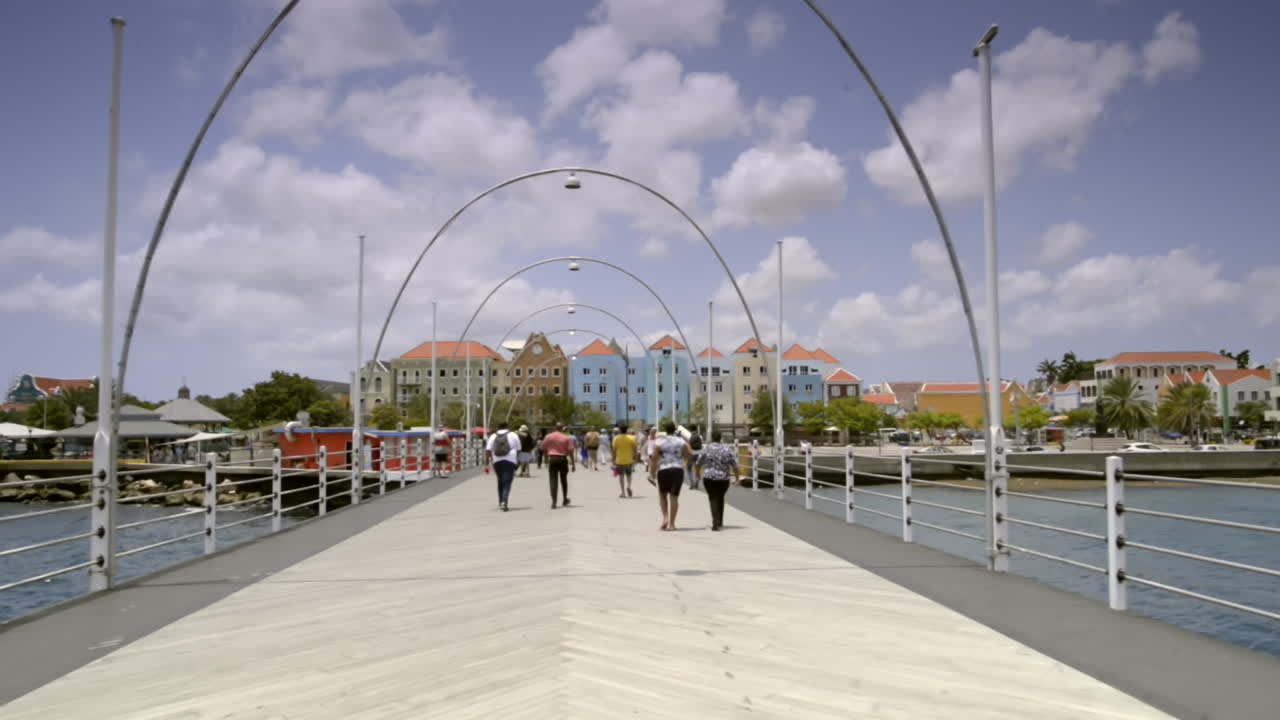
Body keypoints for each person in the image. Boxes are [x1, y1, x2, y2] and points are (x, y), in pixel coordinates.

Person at [649, 420, 692, 531]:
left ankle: (665, 517)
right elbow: (689, 454)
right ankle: (672, 524)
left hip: (663, 470)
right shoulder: (680, 441)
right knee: (674, 497)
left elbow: (654, 458)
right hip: (677, 469)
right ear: (675, 430)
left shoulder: (659, 441)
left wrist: (652, 473)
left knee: (662, 495)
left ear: (665, 429)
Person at [696, 430, 739, 531]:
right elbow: (735, 465)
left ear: (712, 438)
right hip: (723, 479)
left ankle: (715, 522)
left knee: (713, 498)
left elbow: (698, 463)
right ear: (720, 438)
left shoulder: (706, 449)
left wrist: (697, 474)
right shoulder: (727, 449)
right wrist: (737, 478)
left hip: (709, 477)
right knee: (720, 497)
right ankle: (719, 521)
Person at [486, 422, 520, 511]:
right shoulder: (513, 435)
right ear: (507, 426)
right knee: (507, 482)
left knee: (500, 481)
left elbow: (488, 450)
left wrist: (487, 463)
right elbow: (519, 449)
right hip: (510, 460)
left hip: (497, 461)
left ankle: (501, 501)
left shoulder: (493, 436)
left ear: (498, 427)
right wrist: (517, 462)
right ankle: (504, 502)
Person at [541, 423, 576, 508]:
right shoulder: (566, 437)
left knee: (553, 480)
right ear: (562, 428)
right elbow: (571, 451)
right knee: (564, 480)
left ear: (555, 428)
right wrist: (573, 463)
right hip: (562, 459)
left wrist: (545, 459)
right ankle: (564, 499)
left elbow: (543, 448)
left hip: (552, 458)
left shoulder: (548, 436)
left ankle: (554, 501)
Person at [611, 424, 637, 498]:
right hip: (629, 459)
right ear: (627, 430)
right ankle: (629, 486)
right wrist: (635, 459)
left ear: (620, 430)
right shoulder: (631, 438)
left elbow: (614, 450)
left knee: (621, 476)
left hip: (619, 460)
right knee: (629, 474)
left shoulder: (616, 438)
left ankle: (623, 492)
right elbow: (635, 449)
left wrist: (613, 460)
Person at [686, 425, 704, 490]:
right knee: (697, 469)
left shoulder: (690, 436)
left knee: (688, 468)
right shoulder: (700, 436)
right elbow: (702, 445)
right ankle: (697, 483)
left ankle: (692, 483)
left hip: (692, 453)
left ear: (690, 429)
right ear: (696, 429)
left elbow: (688, 445)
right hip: (699, 454)